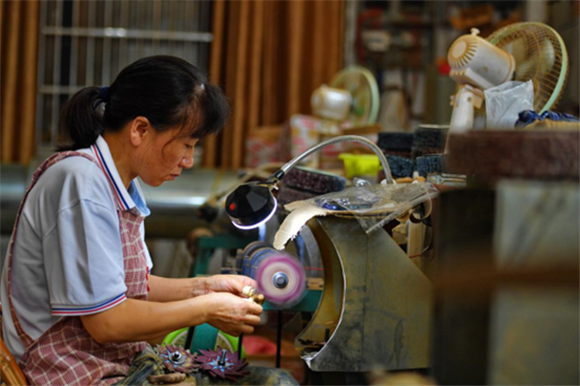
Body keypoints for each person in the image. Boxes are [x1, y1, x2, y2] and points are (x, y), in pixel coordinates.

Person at [0, 56, 266, 385]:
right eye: (186, 145)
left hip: (102, 359)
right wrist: (207, 308)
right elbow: (108, 322)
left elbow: (128, 287)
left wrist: (204, 286)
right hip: (63, 367)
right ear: (140, 129)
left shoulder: (119, 182)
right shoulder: (81, 181)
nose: (188, 161)